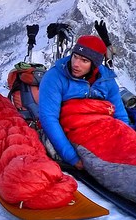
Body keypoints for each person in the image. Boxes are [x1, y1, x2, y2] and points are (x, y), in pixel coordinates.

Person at [39, 35, 129, 169]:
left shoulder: (107, 80)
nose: (75, 64)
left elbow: (120, 115)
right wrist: (71, 157)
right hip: (73, 134)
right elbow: (49, 118)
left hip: (104, 130)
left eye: (84, 60)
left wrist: (126, 140)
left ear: (94, 65)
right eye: (75, 56)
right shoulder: (55, 77)